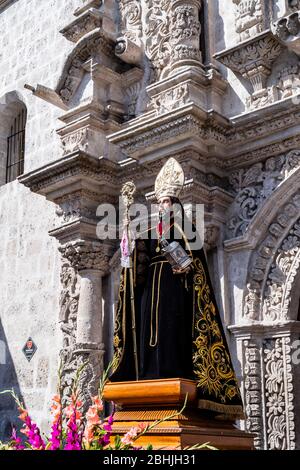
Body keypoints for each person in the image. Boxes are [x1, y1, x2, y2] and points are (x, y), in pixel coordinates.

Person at [110, 158, 244, 419]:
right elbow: (135, 266)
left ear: (177, 205)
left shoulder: (187, 231)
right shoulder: (149, 232)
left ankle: (175, 372)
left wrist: (186, 269)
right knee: (147, 331)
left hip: (175, 293)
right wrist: (128, 245)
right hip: (150, 293)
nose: (163, 206)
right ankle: (147, 375)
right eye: (160, 202)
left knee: (170, 333)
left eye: (168, 201)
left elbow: (197, 269)